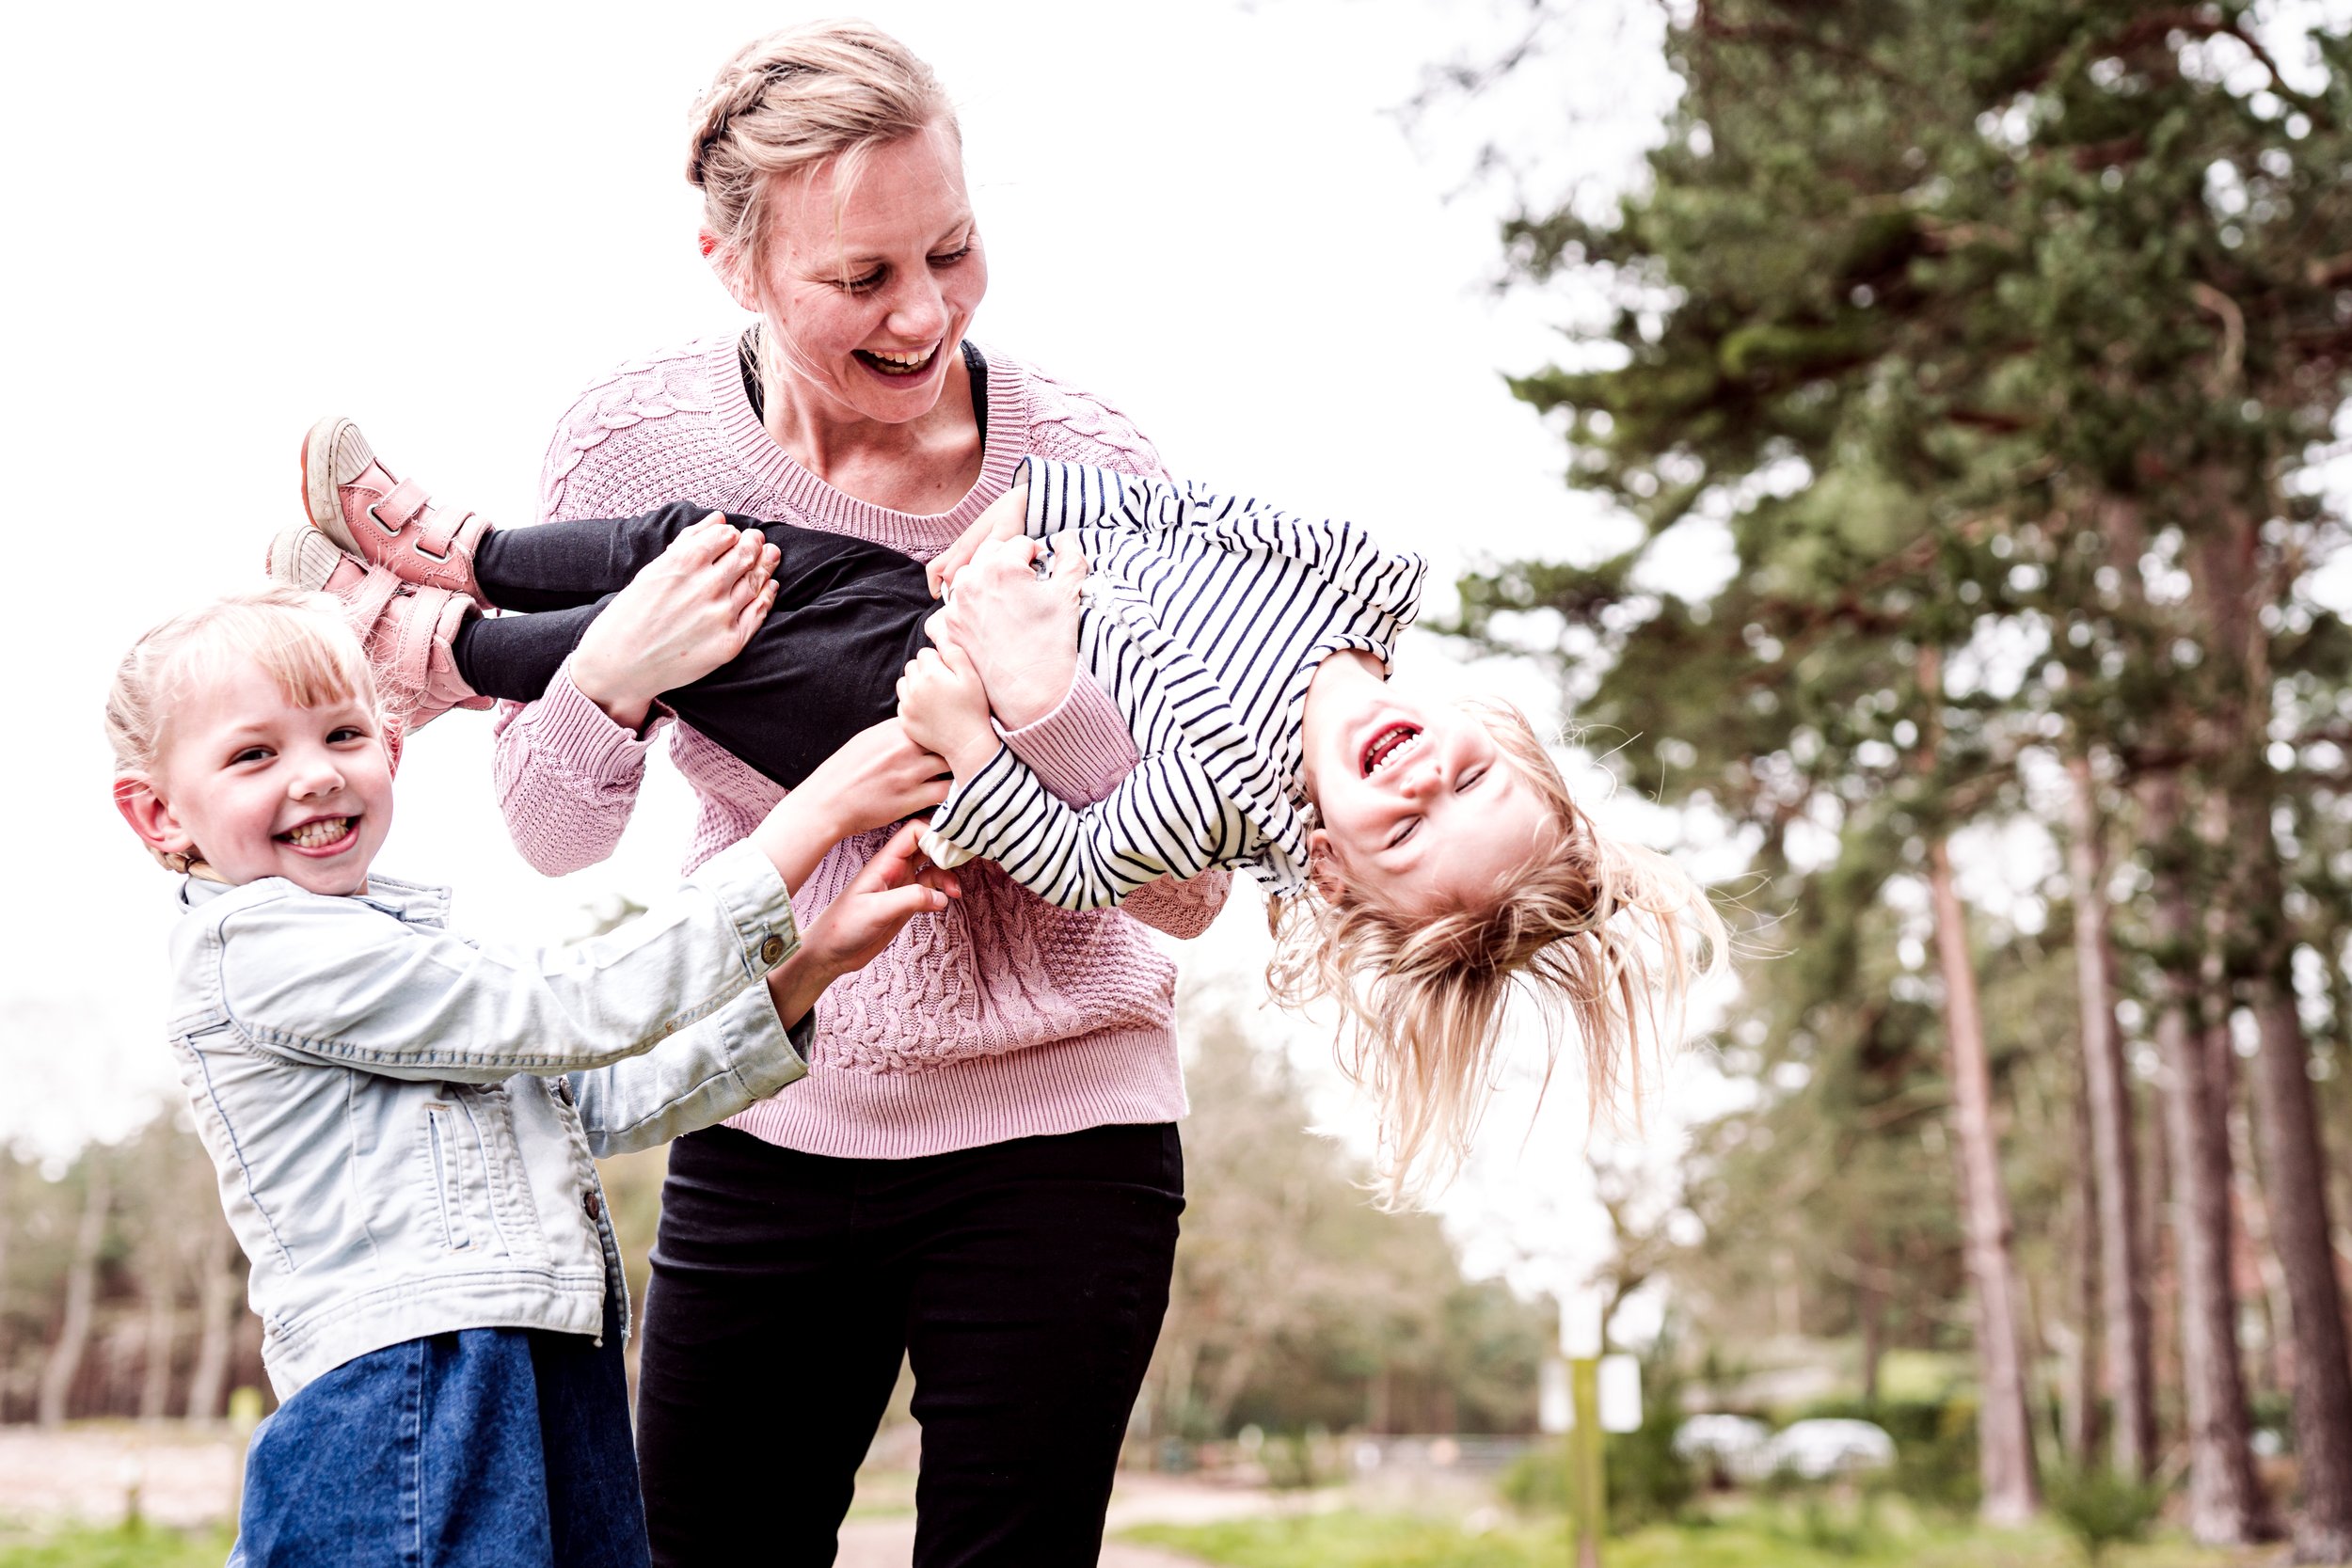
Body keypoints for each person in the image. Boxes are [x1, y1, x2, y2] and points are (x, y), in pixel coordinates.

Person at [413, 21, 1221, 1566]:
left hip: (1066, 1131)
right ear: (729, 260)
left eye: (955, 251)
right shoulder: (629, 441)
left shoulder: (1093, 467)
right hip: (771, 1101)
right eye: (862, 278)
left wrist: (1038, 726)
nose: (924, 311)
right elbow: (552, 830)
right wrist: (617, 666)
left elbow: (1197, 885)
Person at [281, 427, 1724, 1197]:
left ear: (1341, 875)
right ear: (1500, 731)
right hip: (963, 583)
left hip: (901, 690)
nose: (1416, 779)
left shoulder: (1225, 797)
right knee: (704, 549)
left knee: (705, 641)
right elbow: (1187, 514)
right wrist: (1027, 516)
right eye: (1465, 776)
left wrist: (981, 731)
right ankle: (464, 550)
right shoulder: (1363, 579)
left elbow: (1075, 854)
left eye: (1410, 830)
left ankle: (427, 651)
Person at [106, 587, 959, 1566]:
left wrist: (811, 964)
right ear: (158, 810)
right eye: (254, 753)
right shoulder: (252, 946)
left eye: (341, 734)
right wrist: (814, 815)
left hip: (550, 1370)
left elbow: (599, 1093)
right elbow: (567, 1002)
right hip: (415, 1386)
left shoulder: (411, 947)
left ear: (390, 746)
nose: (313, 776)